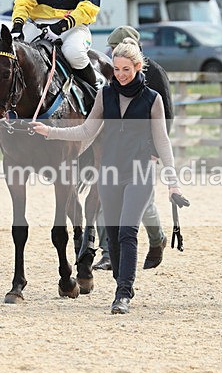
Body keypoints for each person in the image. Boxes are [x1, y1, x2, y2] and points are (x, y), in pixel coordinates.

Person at [30, 38, 184, 314]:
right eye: (117, 69)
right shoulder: (106, 95)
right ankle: (122, 282)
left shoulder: (152, 99)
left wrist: (172, 183)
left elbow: (162, 142)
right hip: (109, 172)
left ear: (138, 67)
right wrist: (51, 132)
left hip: (139, 172)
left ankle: (123, 293)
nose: (121, 75)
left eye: (127, 69)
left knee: (127, 232)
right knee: (112, 235)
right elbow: (87, 131)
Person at [93, 25, 174, 271]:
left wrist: (154, 151)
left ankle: (157, 237)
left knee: (144, 204)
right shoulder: (112, 72)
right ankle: (108, 253)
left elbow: (166, 116)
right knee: (104, 203)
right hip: (115, 151)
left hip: (143, 152)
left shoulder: (155, 73)